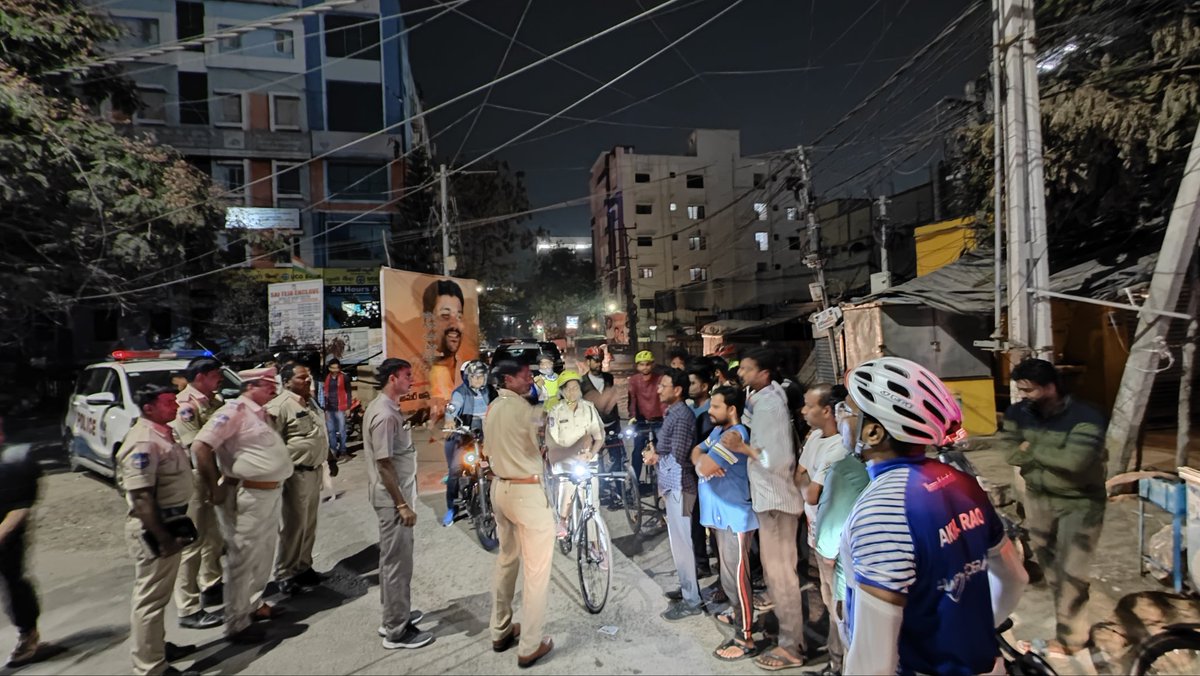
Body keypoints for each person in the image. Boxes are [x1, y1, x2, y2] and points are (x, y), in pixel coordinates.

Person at [840, 357, 1028, 674]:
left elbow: (873, 661)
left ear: (873, 432)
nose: (840, 418)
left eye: (847, 411)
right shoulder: (963, 483)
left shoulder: (882, 509)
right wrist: (967, 635)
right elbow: (1015, 578)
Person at [1001, 357, 1107, 656]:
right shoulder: (1019, 413)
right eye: (1020, 389)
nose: (1023, 396)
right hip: (1038, 499)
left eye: (1029, 390)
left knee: (1072, 572)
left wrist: (1031, 448)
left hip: (1080, 503)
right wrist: (1043, 451)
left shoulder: (1086, 416)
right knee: (1053, 570)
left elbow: (1075, 462)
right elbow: (1009, 452)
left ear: (1050, 387)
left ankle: (1071, 641)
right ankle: (1072, 620)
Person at [191, 367, 293, 644]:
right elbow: (200, 446)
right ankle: (236, 623)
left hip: (269, 493)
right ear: (252, 386)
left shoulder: (259, 413)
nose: (274, 389)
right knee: (242, 558)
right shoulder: (234, 410)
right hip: (247, 494)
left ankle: (254, 605)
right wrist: (214, 486)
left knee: (263, 553)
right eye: (269, 385)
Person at [722, 347, 806, 670]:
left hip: (776, 502)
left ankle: (792, 647)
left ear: (765, 373)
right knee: (775, 575)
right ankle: (788, 637)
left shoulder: (771, 404)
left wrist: (742, 447)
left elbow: (777, 459)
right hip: (767, 500)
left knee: (782, 577)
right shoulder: (759, 398)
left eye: (746, 368)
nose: (740, 373)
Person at [119, 385, 198, 675]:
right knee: (149, 600)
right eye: (167, 402)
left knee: (159, 596)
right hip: (154, 529)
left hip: (171, 522)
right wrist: (163, 538)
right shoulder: (143, 441)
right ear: (149, 408)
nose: (175, 406)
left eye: (174, 400)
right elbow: (140, 497)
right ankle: (149, 666)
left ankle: (156, 646)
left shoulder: (164, 433)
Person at [485, 360, 555, 668]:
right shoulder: (525, 411)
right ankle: (530, 644)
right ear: (508, 380)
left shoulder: (493, 409)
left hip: (500, 489)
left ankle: (501, 630)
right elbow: (549, 433)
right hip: (526, 493)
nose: (530, 379)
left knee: (507, 559)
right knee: (536, 572)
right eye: (524, 375)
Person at [363, 359, 433, 650]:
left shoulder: (389, 409)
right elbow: (385, 464)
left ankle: (393, 616)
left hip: (395, 498)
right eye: (407, 376)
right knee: (397, 565)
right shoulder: (384, 414)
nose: (411, 381)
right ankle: (396, 631)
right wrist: (402, 504)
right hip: (393, 502)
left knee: (391, 562)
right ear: (393, 379)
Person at [690, 387, 759, 662]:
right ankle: (737, 613)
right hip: (721, 518)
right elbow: (696, 452)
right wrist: (702, 462)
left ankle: (746, 638)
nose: (709, 411)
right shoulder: (718, 433)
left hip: (734, 519)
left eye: (715, 407)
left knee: (737, 579)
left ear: (731, 409)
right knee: (730, 577)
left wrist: (703, 464)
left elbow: (702, 466)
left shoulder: (734, 436)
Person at [803, 384, 860, 675]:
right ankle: (836, 663)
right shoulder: (816, 439)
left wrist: (826, 553)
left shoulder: (842, 461)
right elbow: (801, 479)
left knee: (843, 614)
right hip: (826, 543)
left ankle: (840, 666)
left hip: (839, 556)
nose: (841, 419)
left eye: (846, 413)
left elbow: (811, 494)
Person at [267, 363, 333, 596]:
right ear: (286, 381)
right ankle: (285, 573)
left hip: (314, 471)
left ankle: (304, 567)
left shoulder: (309, 401)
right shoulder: (280, 407)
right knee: (293, 526)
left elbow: (318, 432)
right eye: (301, 378)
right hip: (295, 474)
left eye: (308, 377)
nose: (307, 381)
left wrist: (330, 458)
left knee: (309, 523)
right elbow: (271, 443)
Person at [171, 357, 225, 630]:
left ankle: (211, 584)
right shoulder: (186, 406)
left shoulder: (213, 401)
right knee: (192, 543)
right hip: (195, 478)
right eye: (216, 374)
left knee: (214, 536)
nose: (220, 378)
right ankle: (188, 607)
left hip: (214, 473)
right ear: (202, 376)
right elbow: (197, 447)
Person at [645, 368, 702, 620]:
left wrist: (655, 456)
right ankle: (687, 588)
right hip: (673, 484)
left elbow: (681, 454)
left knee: (683, 544)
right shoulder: (673, 413)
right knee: (678, 543)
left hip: (681, 485)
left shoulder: (681, 415)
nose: (659, 389)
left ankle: (692, 600)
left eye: (663, 385)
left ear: (677, 390)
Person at [0, 417, 43, 668]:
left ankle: (28, 635)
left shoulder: (16, 462)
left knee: (15, 583)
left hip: (7, 541)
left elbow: (20, 508)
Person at [544, 371, 604, 538]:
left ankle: (595, 545)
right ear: (562, 391)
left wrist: (591, 453)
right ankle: (563, 520)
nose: (573, 392)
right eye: (569, 389)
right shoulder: (556, 412)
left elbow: (598, 436)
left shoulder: (589, 408)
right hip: (566, 462)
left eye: (576, 388)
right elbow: (553, 441)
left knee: (592, 505)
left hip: (587, 460)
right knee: (567, 487)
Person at [442, 360, 491, 527]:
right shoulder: (460, 393)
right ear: (467, 378)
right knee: (455, 470)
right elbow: (452, 407)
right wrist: (449, 420)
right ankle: (451, 507)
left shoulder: (491, 391)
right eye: (474, 377)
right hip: (466, 436)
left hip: (488, 436)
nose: (478, 380)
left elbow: (501, 405)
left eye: (481, 377)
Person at [580, 347, 623, 508]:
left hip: (612, 424)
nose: (599, 364)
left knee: (616, 458)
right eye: (596, 360)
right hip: (593, 428)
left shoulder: (609, 378)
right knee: (595, 460)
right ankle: (600, 490)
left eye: (600, 360)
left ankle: (619, 491)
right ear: (588, 361)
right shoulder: (582, 382)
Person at [687, 364, 716, 579]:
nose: (689, 387)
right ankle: (701, 562)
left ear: (705, 386)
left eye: (693, 383)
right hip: (694, 471)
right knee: (696, 518)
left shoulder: (711, 412)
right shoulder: (689, 409)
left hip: (711, 472)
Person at [424, 279, 466, 414]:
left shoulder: (467, 368)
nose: (455, 325)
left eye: (459, 317)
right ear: (429, 321)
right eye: (445, 316)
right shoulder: (418, 372)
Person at [628, 350, 664, 486]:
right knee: (637, 451)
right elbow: (633, 399)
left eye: (647, 364)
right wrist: (633, 416)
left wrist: (665, 415)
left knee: (662, 449)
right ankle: (634, 483)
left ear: (652, 365)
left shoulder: (659, 379)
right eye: (642, 365)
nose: (645, 367)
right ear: (637, 366)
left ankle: (664, 481)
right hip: (641, 420)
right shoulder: (634, 380)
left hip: (659, 419)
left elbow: (662, 400)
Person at [321, 359, 353, 460]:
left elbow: (348, 393)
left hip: (341, 407)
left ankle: (343, 450)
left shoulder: (344, 377)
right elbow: (324, 393)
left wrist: (348, 407)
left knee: (342, 430)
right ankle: (333, 450)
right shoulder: (326, 378)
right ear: (329, 368)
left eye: (337, 367)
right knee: (331, 430)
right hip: (329, 408)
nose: (335, 369)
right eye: (333, 367)